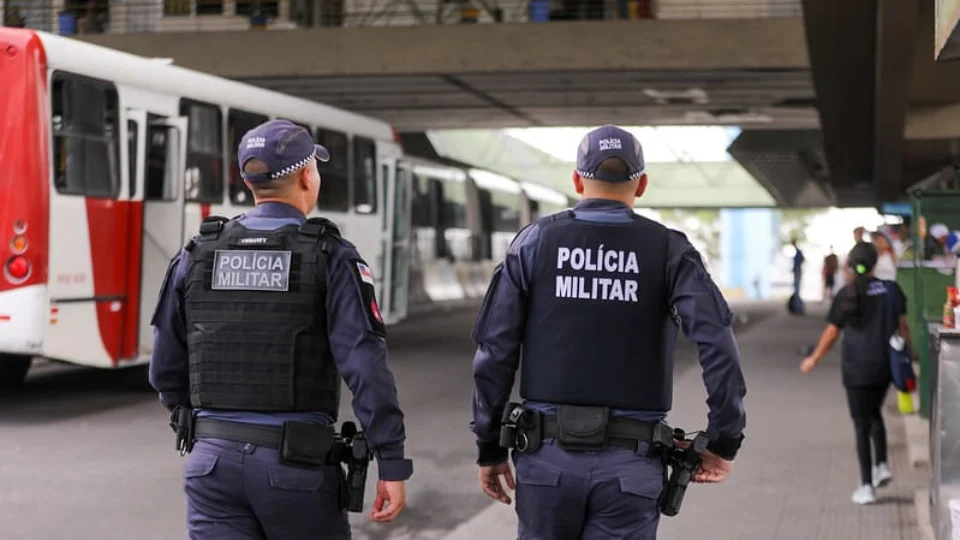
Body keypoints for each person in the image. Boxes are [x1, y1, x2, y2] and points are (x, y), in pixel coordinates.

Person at [469, 125, 747, 538]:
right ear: (642, 184)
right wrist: (724, 440)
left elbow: (495, 351)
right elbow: (717, 343)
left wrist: (490, 446)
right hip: (631, 467)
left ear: (577, 180)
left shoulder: (534, 242)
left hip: (545, 462)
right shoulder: (670, 250)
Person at [149, 119, 411, 539]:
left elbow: (165, 366)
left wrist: (201, 426)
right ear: (307, 176)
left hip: (210, 465)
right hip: (296, 468)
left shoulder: (197, 254)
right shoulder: (331, 256)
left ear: (248, 181)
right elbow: (365, 367)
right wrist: (391, 460)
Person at [800, 242, 911, 504]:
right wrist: (904, 354)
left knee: (861, 424)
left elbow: (832, 332)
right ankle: (882, 465)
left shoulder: (845, 294)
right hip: (884, 365)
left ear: (850, 265)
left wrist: (814, 359)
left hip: (856, 368)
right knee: (875, 413)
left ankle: (866, 486)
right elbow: (903, 328)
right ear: (875, 263)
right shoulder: (891, 290)